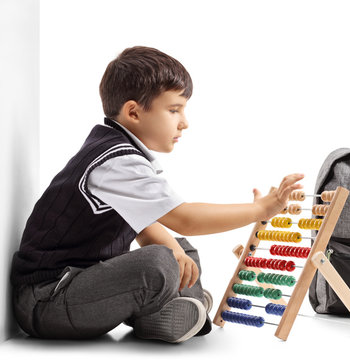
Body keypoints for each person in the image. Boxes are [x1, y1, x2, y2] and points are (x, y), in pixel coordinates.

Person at [10, 46, 304, 343]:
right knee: (160, 262)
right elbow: (185, 219)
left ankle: (176, 311)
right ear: (134, 112)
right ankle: (175, 310)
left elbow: (144, 223)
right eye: (174, 110)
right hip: (47, 301)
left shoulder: (116, 151)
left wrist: (172, 248)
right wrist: (259, 211)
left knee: (179, 249)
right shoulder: (116, 161)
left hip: (79, 288)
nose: (184, 122)